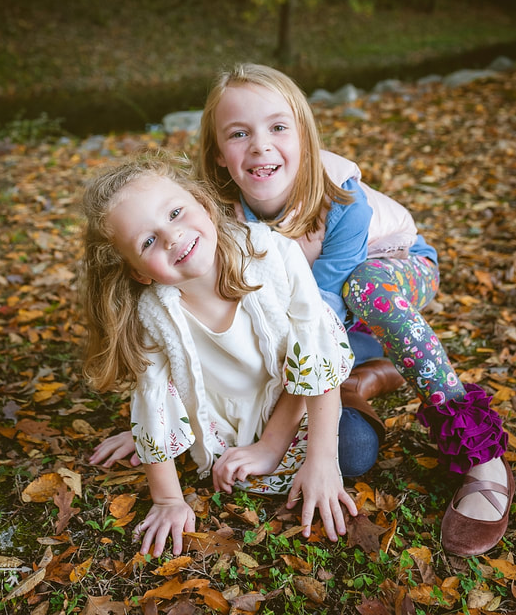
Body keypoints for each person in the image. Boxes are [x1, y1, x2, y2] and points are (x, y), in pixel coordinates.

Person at [194, 63, 512, 556]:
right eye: (239, 133)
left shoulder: (343, 202)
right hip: (328, 312)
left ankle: (482, 456)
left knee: (365, 289)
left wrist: (275, 441)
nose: (260, 146)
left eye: (279, 127)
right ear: (218, 153)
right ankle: (368, 371)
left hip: (395, 267)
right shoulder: (215, 212)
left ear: (305, 135)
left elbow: (318, 328)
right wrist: (170, 414)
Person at [80, 151, 370, 558]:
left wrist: (315, 460)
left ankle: (367, 364)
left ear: (202, 201)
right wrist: (167, 499)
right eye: (148, 241)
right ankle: (361, 362)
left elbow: (313, 354)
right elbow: (152, 397)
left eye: (176, 212)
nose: (172, 236)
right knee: (231, 470)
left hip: (299, 393)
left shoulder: (271, 255)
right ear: (138, 272)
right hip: (230, 415)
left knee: (352, 448)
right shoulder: (154, 313)